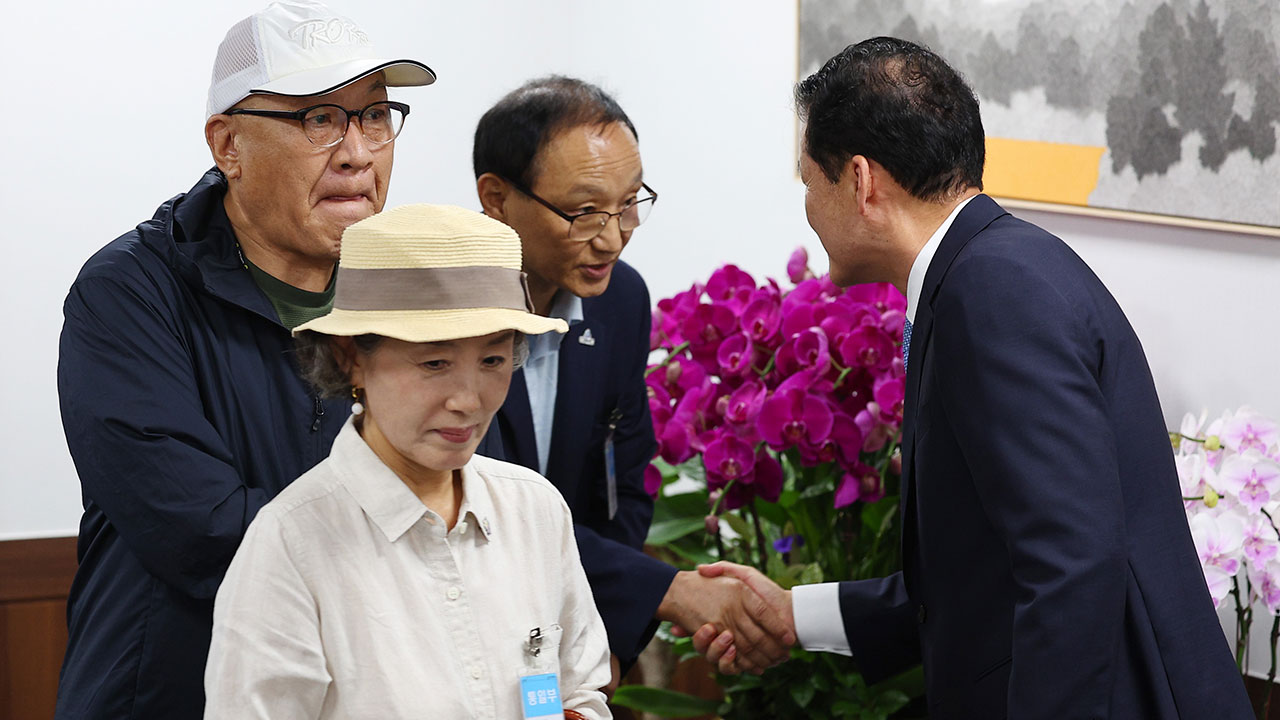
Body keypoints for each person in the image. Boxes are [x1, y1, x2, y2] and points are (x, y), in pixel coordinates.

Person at [694, 36, 1254, 718]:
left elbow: (1071, 565)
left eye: (809, 181)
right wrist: (794, 615)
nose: (807, 208)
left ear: (862, 181)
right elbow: (977, 581)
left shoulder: (990, 292)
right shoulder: (992, 268)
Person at [54, 2, 434, 717]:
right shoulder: (129, 292)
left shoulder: (407, 293)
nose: (357, 151)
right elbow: (203, 531)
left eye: (376, 116)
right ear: (227, 145)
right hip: (169, 694)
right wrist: (418, 537)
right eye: (320, 119)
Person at [204, 204, 610, 720]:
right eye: (435, 362)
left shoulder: (534, 509)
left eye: (492, 359)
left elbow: (580, 691)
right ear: (350, 356)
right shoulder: (292, 543)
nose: (468, 399)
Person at [472, 76, 794, 680]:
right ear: (496, 198)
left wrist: (604, 627)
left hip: (559, 633)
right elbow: (482, 509)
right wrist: (664, 591)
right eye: (585, 210)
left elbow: (625, 486)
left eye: (629, 204)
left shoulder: (619, 300)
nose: (614, 236)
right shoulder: (440, 314)